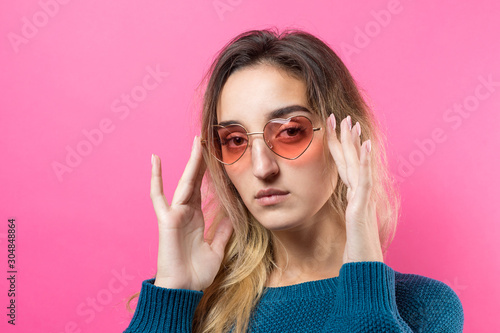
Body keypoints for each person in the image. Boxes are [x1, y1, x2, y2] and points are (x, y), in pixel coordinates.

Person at [123, 29, 464, 332]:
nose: (261, 167)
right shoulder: (198, 307)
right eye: (236, 140)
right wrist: (172, 293)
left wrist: (363, 266)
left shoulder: (422, 307)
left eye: (289, 131)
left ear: (342, 136)